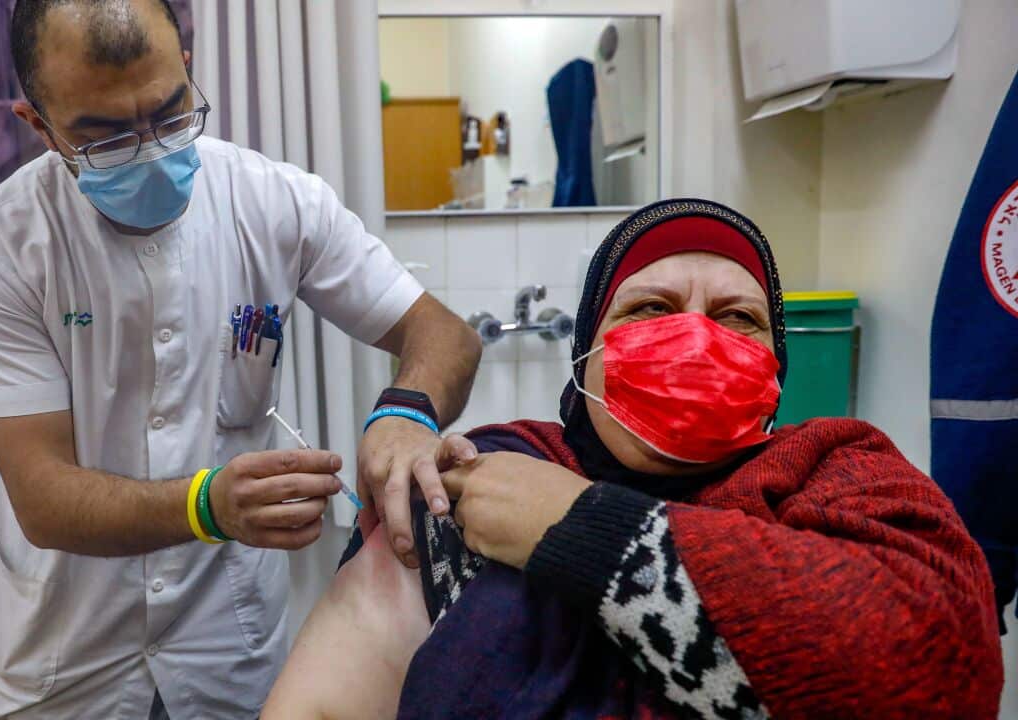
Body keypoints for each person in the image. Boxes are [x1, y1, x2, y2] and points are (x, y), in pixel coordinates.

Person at [264, 198, 1004, 719]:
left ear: (777, 368)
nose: (694, 337)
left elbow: (944, 666)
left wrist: (573, 521)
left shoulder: (835, 469)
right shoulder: (480, 471)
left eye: (737, 317)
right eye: (649, 309)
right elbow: (325, 703)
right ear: (584, 354)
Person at [0, 0, 480, 717]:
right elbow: (42, 497)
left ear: (187, 71)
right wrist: (206, 505)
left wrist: (404, 410)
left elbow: (443, 333)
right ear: (38, 125)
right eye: (103, 137)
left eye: (169, 116)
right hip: (69, 664)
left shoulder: (274, 201)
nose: (148, 150)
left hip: (229, 652)